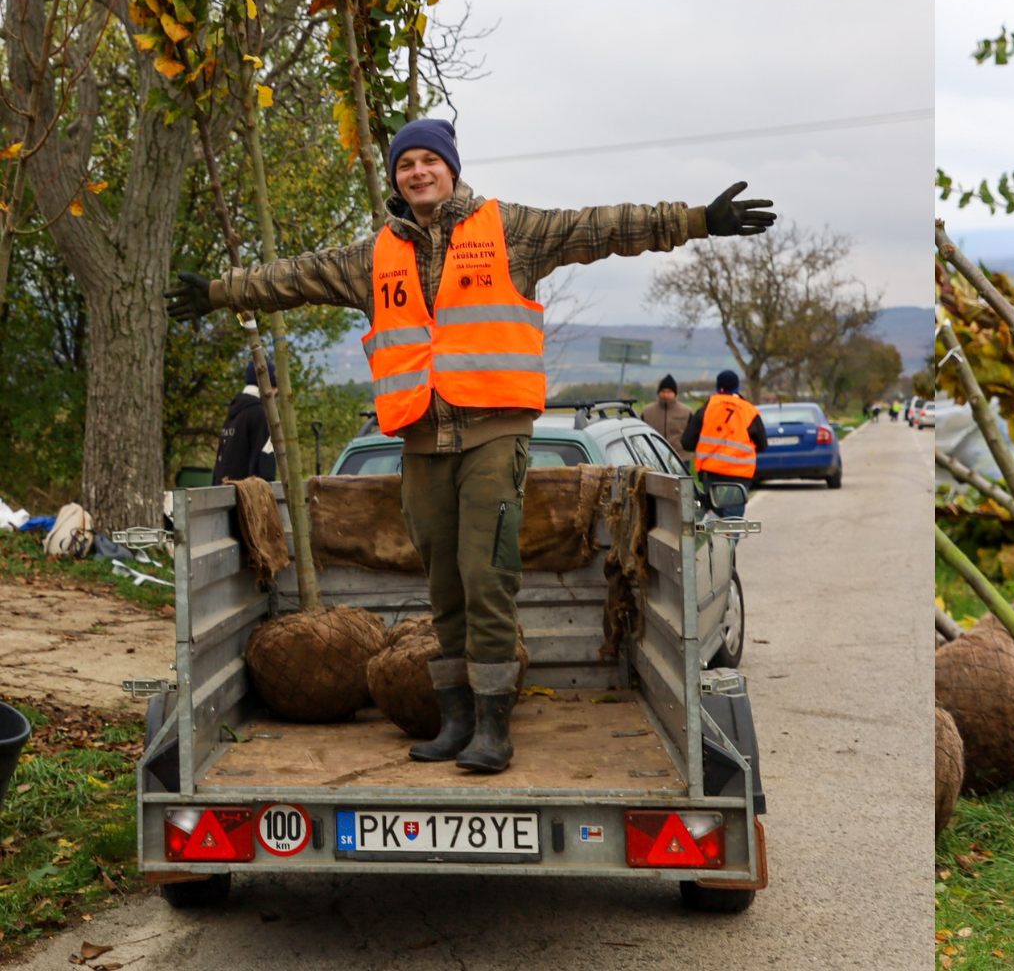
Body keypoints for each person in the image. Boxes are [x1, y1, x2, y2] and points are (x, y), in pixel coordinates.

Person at [165, 117, 775, 774]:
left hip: (493, 434)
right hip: (422, 442)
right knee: (445, 585)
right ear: (395, 176)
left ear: (451, 168)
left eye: (430, 160)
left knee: (486, 577)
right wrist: (223, 292)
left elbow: (601, 227)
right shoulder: (372, 257)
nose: (418, 172)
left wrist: (696, 220)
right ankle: (454, 718)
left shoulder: (508, 229)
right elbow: (295, 278)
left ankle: (493, 726)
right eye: (406, 164)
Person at [682, 370, 767, 518]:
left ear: (717, 387)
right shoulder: (749, 411)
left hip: (712, 475)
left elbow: (687, 443)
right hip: (739, 476)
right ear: (737, 388)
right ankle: (726, 540)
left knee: (714, 515)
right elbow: (763, 445)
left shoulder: (706, 408)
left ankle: (713, 537)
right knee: (732, 523)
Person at [211, 359, 278, 485]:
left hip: (222, 495)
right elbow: (265, 466)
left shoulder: (235, 412)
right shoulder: (262, 414)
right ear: (270, 387)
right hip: (245, 498)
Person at [641, 374, 694, 463]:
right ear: (658, 392)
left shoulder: (686, 412)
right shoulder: (647, 411)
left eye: (669, 392)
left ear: (675, 393)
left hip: (680, 459)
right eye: (663, 391)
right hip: (653, 458)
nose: (665, 394)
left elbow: (692, 434)